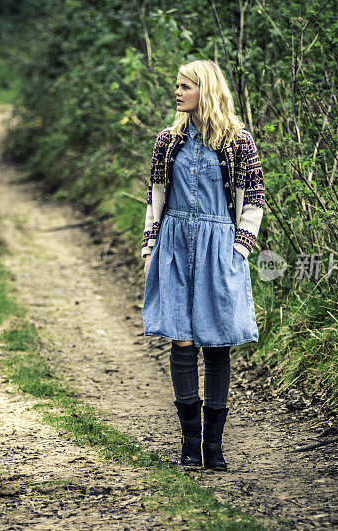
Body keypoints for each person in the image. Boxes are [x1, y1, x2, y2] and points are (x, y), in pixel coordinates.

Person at [141, 59, 266, 470]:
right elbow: (155, 195)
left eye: (185, 86)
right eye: (176, 86)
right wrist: (150, 248)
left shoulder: (238, 141)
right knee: (181, 338)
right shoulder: (168, 140)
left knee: (216, 342)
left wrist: (239, 250)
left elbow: (254, 200)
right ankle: (190, 446)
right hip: (175, 244)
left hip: (219, 246)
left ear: (206, 90)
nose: (177, 93)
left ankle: (215, 447)